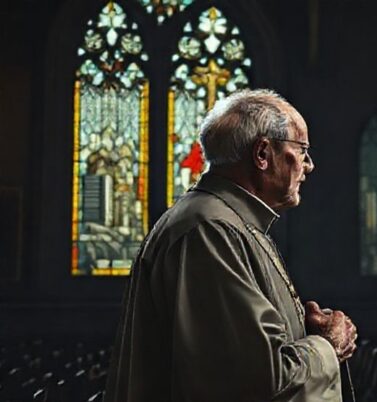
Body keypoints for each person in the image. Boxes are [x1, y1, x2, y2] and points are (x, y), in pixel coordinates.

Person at [105, 89, 358, 402]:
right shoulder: (211, 230)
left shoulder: (227, 221)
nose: (309, 165)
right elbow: (255, 381)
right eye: (302, 149)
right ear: (262, 154)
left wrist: (300, 332)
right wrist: (327, 346)